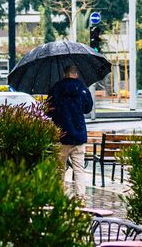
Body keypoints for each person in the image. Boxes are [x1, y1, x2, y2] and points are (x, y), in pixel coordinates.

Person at [48, 64, 93, 202]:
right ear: (76, 74)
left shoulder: (56, 88)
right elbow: (87, 108)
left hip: (61, 136)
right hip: (79, 136)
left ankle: (59, 197)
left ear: (64, 74)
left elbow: (48, 110)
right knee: (79, 169)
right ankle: (80, 197)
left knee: (59, 169)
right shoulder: (82, 88)